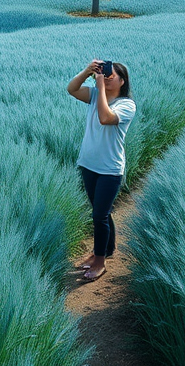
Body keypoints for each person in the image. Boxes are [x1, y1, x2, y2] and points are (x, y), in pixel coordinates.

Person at [66, 59, 136, 281]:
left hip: (109, 168)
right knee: (101, 211)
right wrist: (87, 70)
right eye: (104, 74)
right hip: (89, 163)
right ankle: (107, 249)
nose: (105, 78)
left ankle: (99, 261)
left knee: (99, 215)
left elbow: (105, 118)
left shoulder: (127, 105)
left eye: (110, 75)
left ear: (122, 81)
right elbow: (72, 89)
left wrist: (98, 87)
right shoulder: (97, 96)